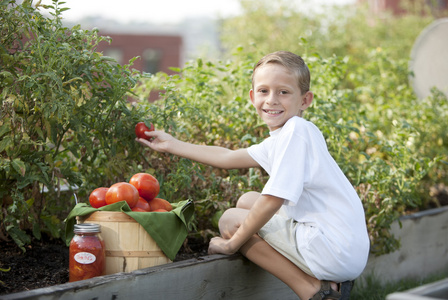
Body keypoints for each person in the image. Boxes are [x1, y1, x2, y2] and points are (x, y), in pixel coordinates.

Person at [136, 51, 370, 300]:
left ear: (305, 100)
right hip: (343, 247)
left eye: (284, 92)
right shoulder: (288, 135)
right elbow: (226, 157)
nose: (272, 100)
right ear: (252, 96)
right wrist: (171, 144)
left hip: (332, 249)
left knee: (230, 221)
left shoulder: (296, 132)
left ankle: (313, 291)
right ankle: (329, 284)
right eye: (263, 91)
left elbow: (272, 200)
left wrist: (231, 244)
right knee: (247, 200)